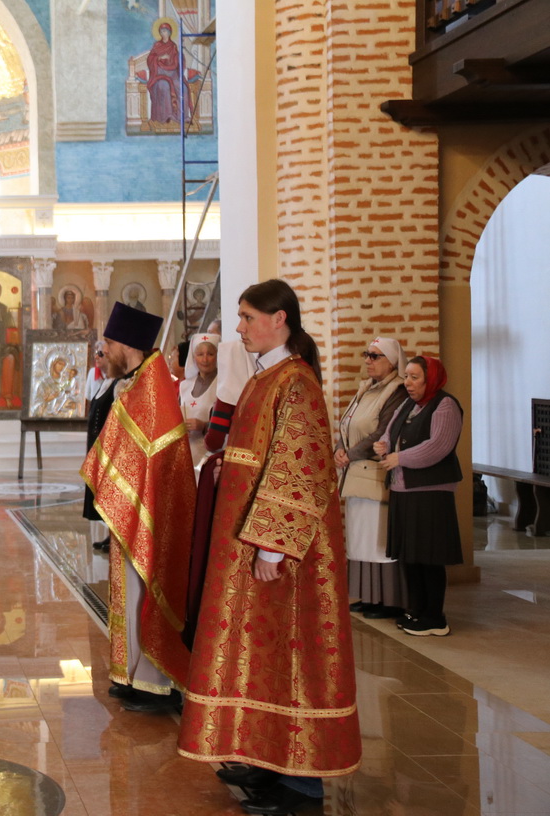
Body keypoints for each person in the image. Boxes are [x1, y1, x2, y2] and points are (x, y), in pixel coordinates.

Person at [178, 279, 360, 816]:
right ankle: (263, 757)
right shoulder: (265, 376)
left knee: (293, 654)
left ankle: (301, 784)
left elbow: (298, 469)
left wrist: (272, 549)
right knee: (260, 652)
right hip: (248, 540)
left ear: (279, 319)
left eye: (247, 317)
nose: (238, 327)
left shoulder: (296, 382)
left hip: (283, 554)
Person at [81, 303, 195, 713]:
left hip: (149, 510)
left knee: (144, 590)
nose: (104, 351)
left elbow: (145, 456)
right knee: (127, 592)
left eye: (107, 343)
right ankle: (129, 672)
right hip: (130, 505)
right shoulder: (136, 382)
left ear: (124, 344)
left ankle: (155, 681)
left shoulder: (151, 386)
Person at [375, 355, 463, 637]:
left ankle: (435, 617)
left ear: (431, 379)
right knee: (410, 555)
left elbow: (438, 446)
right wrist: (384, 444)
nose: (408, 383)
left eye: (415, 377)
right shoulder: (408, 404)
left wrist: (399, 458)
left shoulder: (445, 405)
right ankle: (416, 610)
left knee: (429, 556)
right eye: (407, 377)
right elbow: (391, 431)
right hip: (403, 488)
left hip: (431, 491)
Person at [337, 337, 408, 620]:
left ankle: (389, 600)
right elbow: (347, 426)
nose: (368, 360)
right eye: (367, 354)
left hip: (376, 474)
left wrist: (350, 454)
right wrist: (340, 449)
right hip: (357, 474)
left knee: (378, 540)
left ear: (392, 362)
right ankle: (369, 596)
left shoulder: (397, 391)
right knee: (361, 539)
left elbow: (382, 432)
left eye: (375, 356)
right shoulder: (366, 388)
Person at [83, 340, 122, 553]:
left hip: (108, 447)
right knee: (101, 490)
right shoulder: (105, 382)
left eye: (102, 354)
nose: (97, 358)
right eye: (97, 354)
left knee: (110, 490)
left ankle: (115, 536)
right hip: (96, 445)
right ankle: (110, 534)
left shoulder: (119, 384)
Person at [179, 332, 219, 465]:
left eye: (210, 354)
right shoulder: (184, 386)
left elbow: (231, 425)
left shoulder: (223, 385)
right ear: (193, 357)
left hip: (211, 455)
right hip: (186, 453)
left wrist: (204, 426)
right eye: (200, 354)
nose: (205, 359)